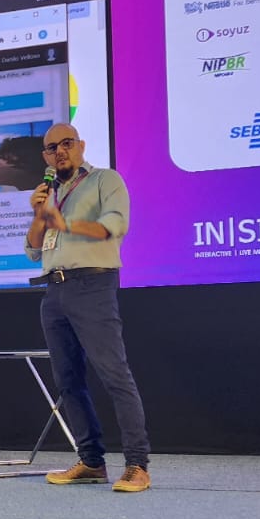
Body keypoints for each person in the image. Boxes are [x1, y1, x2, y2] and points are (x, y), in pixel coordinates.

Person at [24, 123, 151, 493]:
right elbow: (32, 249)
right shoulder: (51, 193)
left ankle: (137, 465)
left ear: (80, 146)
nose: (59, 151)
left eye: (66, 143)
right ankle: (91, 461)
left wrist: (63, 222)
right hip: (54, 291)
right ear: (46, 156)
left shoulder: (104, 180)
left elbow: (113, 226)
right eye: (52, 148)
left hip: (92, 285)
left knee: (114, 374)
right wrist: (39, 214)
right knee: (68, 381)